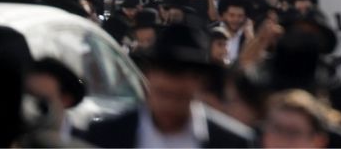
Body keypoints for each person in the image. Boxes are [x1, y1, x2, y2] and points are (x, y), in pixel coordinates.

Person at [84, 23, 254, 147]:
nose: (169, 106)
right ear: (148, 77)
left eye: (179, 97)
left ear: (200, 83)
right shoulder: (104, 136)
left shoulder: (233, 143)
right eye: (163, 94)